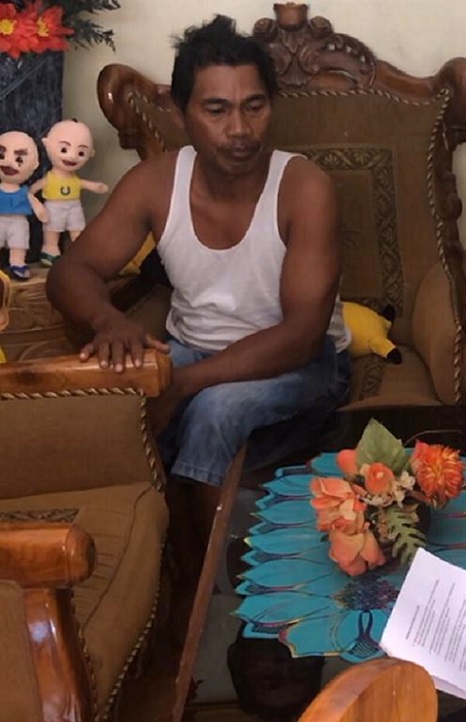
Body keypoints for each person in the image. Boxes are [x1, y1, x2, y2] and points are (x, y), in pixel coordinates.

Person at [46, 16, 351, 560]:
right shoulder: (154, 183)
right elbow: (71, 271)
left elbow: (303, 335)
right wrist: (109, 320)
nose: (240, 129)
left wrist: (183, 383)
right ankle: (137, 561)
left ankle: (203, 575)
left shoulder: (304, 187)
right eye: (216, 110)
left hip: (301, 364)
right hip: (191, 350)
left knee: (215, 410)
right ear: (181, 112)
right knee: (119, 401)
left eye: (254, 106)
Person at [30, 119, 110, 266]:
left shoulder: (75, 179)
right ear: (47, 144)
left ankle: (80, 253)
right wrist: (36, 205)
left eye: (81, 152)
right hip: (54, 206)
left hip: (74, 206)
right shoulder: (49, 178)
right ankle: (50, 252)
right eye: (64, 150)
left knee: (77, 230)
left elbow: (83, 184)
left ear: (90, 153)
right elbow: (31, 191)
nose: (72, 156)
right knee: (52, 231)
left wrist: (96, 187)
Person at [0, 130, 48, 281]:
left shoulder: (24, 192)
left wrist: (41, 211)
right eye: (2, 155)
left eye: (19, 159)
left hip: (18, 222)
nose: (8, 163)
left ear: (34, 165)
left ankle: (18, 264)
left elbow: (34, 203)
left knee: (19, 243)